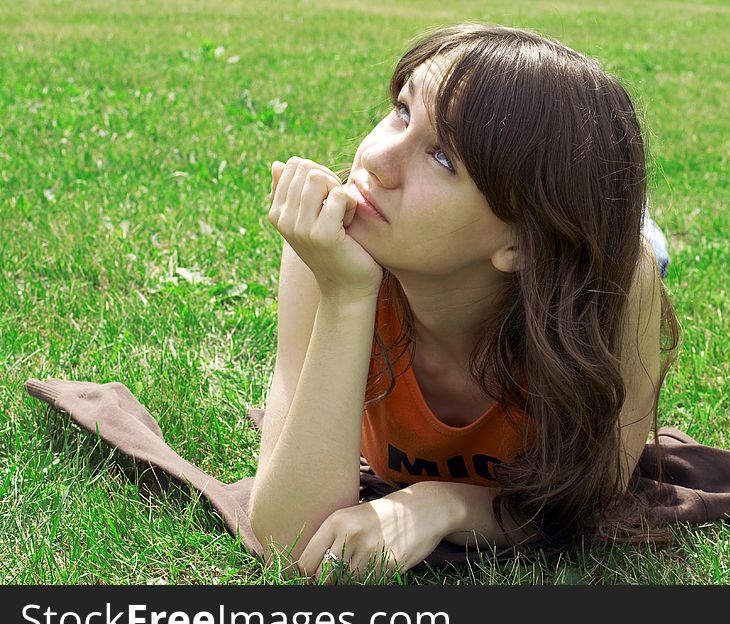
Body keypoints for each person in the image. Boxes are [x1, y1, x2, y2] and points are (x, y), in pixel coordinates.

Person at [248, 23, 680, 582]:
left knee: (638, 243)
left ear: (519, 240)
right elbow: (290, 540)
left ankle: (626, 217)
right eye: (402, 111)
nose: (375, 160)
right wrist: (348, 296)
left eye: (443, 159)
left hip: (573, 270)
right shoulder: (328, 256)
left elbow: (592, 500)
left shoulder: (617, 296)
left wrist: (442, 503)